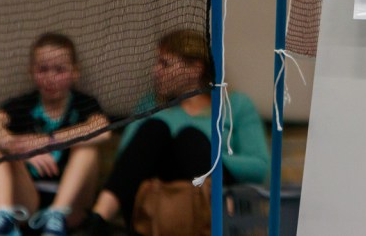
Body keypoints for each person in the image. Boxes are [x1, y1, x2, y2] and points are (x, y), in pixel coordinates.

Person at [84, 29, 269, 235]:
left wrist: (208, 155)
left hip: (208, 204)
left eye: (164, 64)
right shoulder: (152, 105)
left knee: (191, 138)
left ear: (195, 69)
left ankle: (219, 225)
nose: (156, 71)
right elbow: (127, 159)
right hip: (155, 207)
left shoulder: (235, 105)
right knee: (156, 129)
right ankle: (97, 221)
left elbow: (258, 166)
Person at [0, 33, 110, 236]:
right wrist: (18, 146)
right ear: (31, 71)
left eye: (59, 70)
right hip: (28, 204)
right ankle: (3, 218)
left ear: (75, 72)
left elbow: (102, 130)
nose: (50, 78)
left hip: (71, 208)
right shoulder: (22, 105)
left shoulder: (84, 104)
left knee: (86, 147)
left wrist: (47, 141)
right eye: (43, 69)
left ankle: (55, 217)